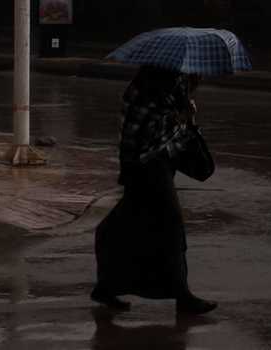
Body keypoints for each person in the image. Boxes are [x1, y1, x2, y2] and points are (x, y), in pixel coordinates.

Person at [91, 66, 218, 314]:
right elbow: (144, 134)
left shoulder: (168, 88)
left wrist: (185, 117)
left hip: (153, 165)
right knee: (171, 228)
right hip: (147, 167)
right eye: (198, 74)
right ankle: (183, 296)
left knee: (121, 227)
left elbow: (170, 134)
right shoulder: (154, 91)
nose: (200, 78)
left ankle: (105, 287)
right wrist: (181, 117)